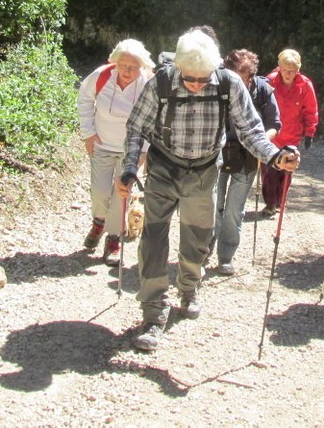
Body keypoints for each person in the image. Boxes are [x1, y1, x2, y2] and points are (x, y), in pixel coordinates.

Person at [115, 30, 300, 352]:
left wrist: (275, 156)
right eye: (190, 79)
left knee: (198, 238)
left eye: (203, 80)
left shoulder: (229, 83)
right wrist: (129, 167)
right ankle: (154, 313)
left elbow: (250, 130)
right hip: (163, 169)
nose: (197, 85)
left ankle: (188, 288)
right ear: (179, 69)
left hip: (204, 171)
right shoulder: (160, 83)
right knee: (154, 239)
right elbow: (136, 128)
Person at [76, 39, 155, 267]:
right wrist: (88, 133)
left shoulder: (148, 82)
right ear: (115, 62)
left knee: (122, 194)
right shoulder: (101, 76)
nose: (127, 71)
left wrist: (144, 150)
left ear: (141, 66)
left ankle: (113, 238)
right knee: (100, 192)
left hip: (131, 151)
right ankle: (99, 221)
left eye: (133, 67)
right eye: (123, 66)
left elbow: (153, 118)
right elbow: (84, 99)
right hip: (101, 145)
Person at [209, 49, 281, 275]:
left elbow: (274, 123)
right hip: (218, 155)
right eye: (236, 72)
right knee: (213, 206)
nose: (239, 77)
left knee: (234, 210)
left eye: (244, 73)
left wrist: (260, 142)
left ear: (251, 74)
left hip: (248, 157)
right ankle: (204, 251)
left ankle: (225, 257)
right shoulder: (215, 86)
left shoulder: (263, 90)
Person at [262, 48, 318, 217]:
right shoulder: (269, 81)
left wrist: (310, 132)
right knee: (269, 171)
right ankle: (270, 203)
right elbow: (259, 106)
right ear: (279, 68)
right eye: (285, 70)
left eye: (292, 71)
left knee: (286, 170)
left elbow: (311, 109)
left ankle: (280, 202)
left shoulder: (305, 85)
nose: (288, 74)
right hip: (272, 135)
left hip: (292, 135)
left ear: (297, 70)